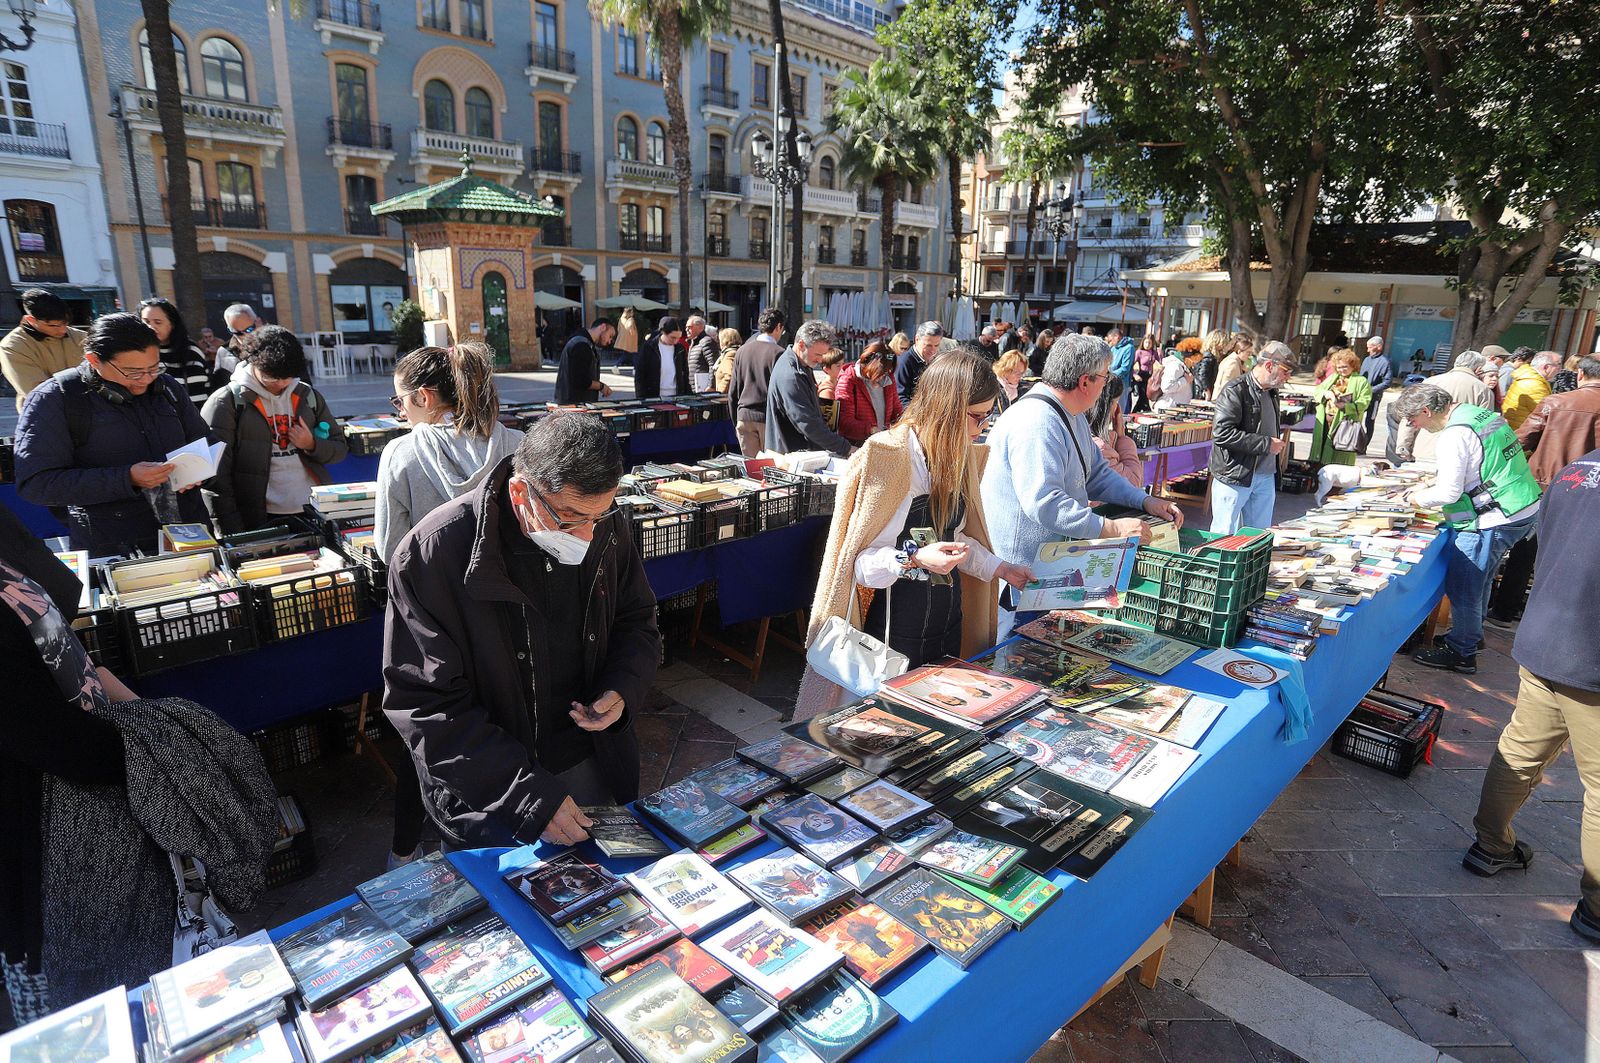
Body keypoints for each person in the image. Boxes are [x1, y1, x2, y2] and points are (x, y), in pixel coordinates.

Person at [384, 412, 658, 848]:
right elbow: (425, 704)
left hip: (591, 761)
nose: (586, 534)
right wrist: (524, 796)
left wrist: (622, 687)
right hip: (488, 791)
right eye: (568, 518)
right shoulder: (433, 555)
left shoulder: (609, 525)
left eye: (598, 516)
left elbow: (636, 620)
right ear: (520, 491)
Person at [796, 350, 1033, 716]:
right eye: (976, 416)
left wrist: (1000, 568)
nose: (982, 426)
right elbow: (858, 565)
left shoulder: (958, 454)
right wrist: (914, 558)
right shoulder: (888, 457)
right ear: (947, 408)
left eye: (987, 416)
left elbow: (958, 537)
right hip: (894, 635)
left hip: (946, 624)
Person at [375, 343, 523, 865]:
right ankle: (516, 828)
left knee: (431, 732)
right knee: (505, 723)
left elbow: (390, 547)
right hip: (510, 614)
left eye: (400, 402)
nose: (400, 413)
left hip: (433, 621)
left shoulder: (403, 452)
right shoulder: (519, 444)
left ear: (422, 396)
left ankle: (409, 848)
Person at [0, 504, 136, 1025]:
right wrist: (134, 753)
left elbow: (59, 588)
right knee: (64, 991)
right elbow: (38, 732)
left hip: (67, 798)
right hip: (33, 818)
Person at [1460, 444, 1600, 942]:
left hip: (1545, 638)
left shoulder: (1574, 472)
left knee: (1520, 751)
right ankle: (1596, 908)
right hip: (1589, 655)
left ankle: (1490, 845)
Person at [981, 333, 1186, 640]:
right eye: (1105, 376)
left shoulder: (1068, 414)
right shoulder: (1037, 422)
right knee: (1016, 655)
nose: (1107, 384)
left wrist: (1144, 502)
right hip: (1021, 578)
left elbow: (1096, 475)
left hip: (1047, 568)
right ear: (1085, 381)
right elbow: (1045, 503)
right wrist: (1113, 529)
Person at [15, 313, 212, 555]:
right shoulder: (55, 398)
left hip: (189, 531)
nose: (146, 380)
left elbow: (205, 440)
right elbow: (36, 484)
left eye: (153, 368)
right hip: (112, 544)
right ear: (94, 360)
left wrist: (199, 468)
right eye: (133, 373)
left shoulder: (167, 387)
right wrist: (126, 478)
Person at [1397, 383, 1541, 674]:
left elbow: (1449, 493)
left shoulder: (1455, 435)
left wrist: (1413, 498)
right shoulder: (1475, 414)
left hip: (1495, 516)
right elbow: (1482, 465)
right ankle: (1471, 637)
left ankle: (1461, 652)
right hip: (1520, 505)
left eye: (1413, 420)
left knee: (1465, 583)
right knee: (1483, 577)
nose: (1414, 425)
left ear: (1426, 411)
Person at [1487, 355, 1600, 627]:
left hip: (1546, 486)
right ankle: (1560, 618)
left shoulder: (1556, 402)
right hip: (1592, 492)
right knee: (1579, 554)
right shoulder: (1555, 402)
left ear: (1580, 375)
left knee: (1527, 551)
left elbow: (1519, 441)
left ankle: (1506, 609)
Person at [201, 326, 349, 534]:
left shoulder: (308, 396)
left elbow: (339, 449)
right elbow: (215, 476)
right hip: (257, 515)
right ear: (253, 363)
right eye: (271, 378)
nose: (279, 384)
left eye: (286, 378)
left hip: (312, 508)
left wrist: (312, 445)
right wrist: (230, 529)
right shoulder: (226, 402)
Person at [1208, 342, 1295, 534]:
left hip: (1265, 475)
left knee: (1256, 538)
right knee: (1223, 535)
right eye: (1285, 371)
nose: (1288, 377)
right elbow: (1222, 433)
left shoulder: (1271, 392)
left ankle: (1249, 566)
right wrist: (1266, 444)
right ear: (1269, 366)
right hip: (1235, 475)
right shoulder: (1235, 390)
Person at [764, 321, 852, 457]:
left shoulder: (802, 365)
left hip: (797, 452)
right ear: (801, 345)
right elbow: (807, 423)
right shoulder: (791, 375)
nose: (821, 360)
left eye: (823, 355)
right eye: (817, 354)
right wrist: (845, 447)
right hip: (790, 455)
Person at [1392, 351, 1494, 463]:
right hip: (1458, 454)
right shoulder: (1483, 390)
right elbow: (1484, 427)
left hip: (1425, 449)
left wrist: (1403, 446)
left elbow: (1410, 417)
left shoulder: (1430, 382)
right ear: (1479, 369)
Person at [1, 288, 87, 412]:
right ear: (31, 320)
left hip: (88, 411)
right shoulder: (13, 346)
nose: (62, 330)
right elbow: (37, 390)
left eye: (65, 324)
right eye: (53, 325)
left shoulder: (80, 337)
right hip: (44, 414)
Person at [726, 308, 787, 457]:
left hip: (744, 416)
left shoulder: (741, 351)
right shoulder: (778, 353)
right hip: (768, 421)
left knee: (752, 470)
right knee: (772, 470)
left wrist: (736, 419)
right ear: (779, 327)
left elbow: (733, 390)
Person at [139, 298, 210, 404]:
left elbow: (207, 387)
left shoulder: (192, 351)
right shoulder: (137, 355)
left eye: (158, 322)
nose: (151, 327)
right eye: (146, 322)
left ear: (172, 324)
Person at [1309, 348, 1371, 466]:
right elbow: (1318, 390)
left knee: (1340, 454)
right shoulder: (1333, 378)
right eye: (1339, 367)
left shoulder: (1361, 381)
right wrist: (1325, 394)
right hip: (1326, 422)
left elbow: (1364, 403)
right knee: (1321, 451)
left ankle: (1336, 482)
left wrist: (1346, 406)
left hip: (1345, 424)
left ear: (1353, 366)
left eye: (1345, 367)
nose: (1341, 370)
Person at [834, 343, 902, 447]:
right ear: (869, 365)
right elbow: (844, 421)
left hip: (883, 443)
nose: (882, 377)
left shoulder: (888, 378)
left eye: (885, 373)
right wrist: (871, 429)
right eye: (879, 373)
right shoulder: (848, 379)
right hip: (857, 445)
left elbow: (897, 409)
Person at [1089, 376, 1143, 491]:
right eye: (1116, 402)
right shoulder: (1100, 448)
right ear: (1107, 406)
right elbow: (1133, 484)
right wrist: (1122, 438)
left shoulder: (1080, 434)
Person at [554, 318, 616, 404]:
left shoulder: (583, 342)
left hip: (575, 405)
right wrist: (601, 386)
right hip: (575, 407)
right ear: (603, 327)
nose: (610, 341)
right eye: (610, 336)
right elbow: (581, 381)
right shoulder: (582, 345)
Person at [1502, 350, 1560, 430]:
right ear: (1546, 367)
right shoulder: (1534, 384)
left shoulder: (1530, 377)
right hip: (1520, 431)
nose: (1560, 369)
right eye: (1558, 364)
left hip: (1516, 428)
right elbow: (1545, 413)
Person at [634, 316, 688, 401]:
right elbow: (640, 374)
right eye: (673, 337)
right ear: (663, 332)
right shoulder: (648, 347)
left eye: (678, 338)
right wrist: (640, 398)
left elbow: (685, 373)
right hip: (653, 396)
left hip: (677, 396)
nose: (676, 341)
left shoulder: (680, 348)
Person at [897, 321, 945, 405]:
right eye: (928, 345)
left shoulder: (937, 360)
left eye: (936, 345)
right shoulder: (904, 362)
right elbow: (900, 397)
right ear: (917, 339)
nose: (933, 350)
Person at [1359, 334, 1394, 447]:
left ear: (1378, 347)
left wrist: (1371, 390)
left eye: (1370, 347)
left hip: (1374, 397)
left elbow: (1387, 382)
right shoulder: (1366, 360)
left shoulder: (1384, 362)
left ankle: (1364, 445)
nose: (1368, 349)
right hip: (1361, 396)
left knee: (1369, 421)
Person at [1154, 339, 1202, 409]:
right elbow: (1166, 387)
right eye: (1194, 360)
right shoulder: (1175, 365)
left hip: (1177, 407)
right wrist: (1185, 380)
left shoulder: (1183, 365)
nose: (1194, 363)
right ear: (1188, 357)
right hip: (1169, 408)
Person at [221, 303, 259, 374]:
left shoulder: (272, 344)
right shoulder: (224, 351)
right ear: (229, 329)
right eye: (238, 333)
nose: (245, 335)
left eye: (249, 329)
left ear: (256, 321)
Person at [685, 315, 719, 392]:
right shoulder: (693, 343)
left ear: (700, 327)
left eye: (690, 327)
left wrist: (711, 385)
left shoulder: (706, 342)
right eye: (686, 327)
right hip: (695, 388)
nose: (686, 329)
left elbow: (713, 365)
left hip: (704, 389)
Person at [1106, 328, 1136, 412]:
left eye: (1111, 340)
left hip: (1121, 383)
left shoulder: (1129, 348)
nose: (1110, 342)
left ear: (1117, 337)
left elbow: (1125, 368)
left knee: (1119, 411)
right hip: (1111, 381)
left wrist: (1110, 375)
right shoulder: (1113, 348)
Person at [1196, 329, 1230, 399]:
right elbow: (1202, 374)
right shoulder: (1209, 357)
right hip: (1205, 393)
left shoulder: (1210, 356)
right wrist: (1207, 390)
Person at [992, 350, 1028, 415]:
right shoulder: (992, 388)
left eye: (1022, 373)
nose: (1020, 376)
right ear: (1005, 369)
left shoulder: (1023, 388)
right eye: (1016, 372)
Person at [1131, 335, 1159, 413]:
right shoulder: (1139, 352)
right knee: (1142, 395)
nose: (1147, 345)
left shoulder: (1154, 353)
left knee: (1147, 396)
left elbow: (1161, 362)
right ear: (1143, 342)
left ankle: (1140, 411)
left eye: (1149, 343)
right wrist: (1134, 375)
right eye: (1146, 342)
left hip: (1150, 376)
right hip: (1141, 376)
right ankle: (1137, 411)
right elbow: (1131, 365)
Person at [712, 326, 741, 393]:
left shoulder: (729, 355)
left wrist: (720, 392)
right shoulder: (738, 351)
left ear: (724, 341)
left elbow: (729, 375)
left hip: (726, 397)